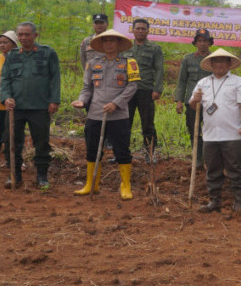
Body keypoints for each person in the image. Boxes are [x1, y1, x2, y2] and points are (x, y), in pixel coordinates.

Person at [71, 30, 140, 200]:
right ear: (101, 45)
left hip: (119, 115)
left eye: (112, 41)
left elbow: (132, 87)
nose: (108, 44)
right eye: (105, 41)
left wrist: (116, 103)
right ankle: (91, 184)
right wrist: (82, 101)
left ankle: (125, 186)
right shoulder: (93, 63)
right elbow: (87, 87)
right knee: (93, 149)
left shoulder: (129, 63)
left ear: (118, 44)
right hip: (95, 113)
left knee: (122, 150)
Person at [190, 48, 241, 217]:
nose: (219, 64)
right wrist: (195, 100)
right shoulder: (203, 83)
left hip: (232, 134)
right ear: (211, 64)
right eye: (215, 61)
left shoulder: (239, 82)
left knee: (235, 169)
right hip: (209, 135)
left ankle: (239, 202)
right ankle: (214, 201)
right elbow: (193, 106)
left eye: (223, 61)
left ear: (229, 64)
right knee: (212, 169)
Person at [0, 22, 61, 188]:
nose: (23, 38)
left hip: (39, 107)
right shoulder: (12, 55)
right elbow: (4, 79)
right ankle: (15, 176)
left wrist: (54, 100)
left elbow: (55, 78)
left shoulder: (48, 53)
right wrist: (6, 97)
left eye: (27, 34)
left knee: (41, 143)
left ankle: (42, 176)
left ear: (35, 35)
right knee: (12, 141)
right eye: (20, 35)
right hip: (15, 108)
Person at [121, 18, 163, 161]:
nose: (140, 31)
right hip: (127, 92)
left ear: (148, 31)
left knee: (148, 124)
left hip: (146, 90)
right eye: (137, 28)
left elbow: (159, 69)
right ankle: (122, 153)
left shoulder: (154, 48)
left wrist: (157, 89)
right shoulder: (125, 47)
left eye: (143, 29)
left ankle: (150, 153)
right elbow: (119, 69)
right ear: (133, 30)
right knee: (125, 123)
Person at [175, 28, 213, 168]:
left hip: (211, 103)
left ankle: (210, 159)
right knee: (194, 131)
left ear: (210, 43)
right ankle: (197, 158)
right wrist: (179, 101)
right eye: (200, 41)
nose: (202, 44)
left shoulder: (214, 59)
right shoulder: (188, 59)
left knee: (210, 130)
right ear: (195, 43)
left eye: (205, 41)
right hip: (192, 102)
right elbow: (182, 81)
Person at [0, 31, 19, 165]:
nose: (1, 45)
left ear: (14, 44)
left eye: (5, 42)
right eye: (0, 43)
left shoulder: (19, 59)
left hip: (13, 103)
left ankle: (11, 161)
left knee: (11, 134)